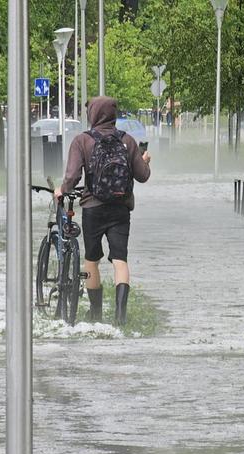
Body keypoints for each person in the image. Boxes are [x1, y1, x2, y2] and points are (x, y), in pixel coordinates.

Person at [55, 96, 151, 326]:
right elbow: (143, 176)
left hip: (92, 208)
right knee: (120, 260)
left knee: (91, 261)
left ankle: (95, 313)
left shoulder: (82, 141)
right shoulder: (127, 140)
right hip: (120, 209)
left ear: (92, 114)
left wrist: (62, 190)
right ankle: (120, 316)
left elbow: (72, 176)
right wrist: (146, 160)